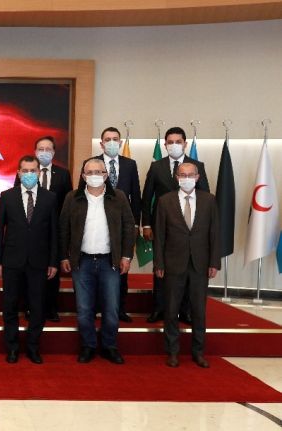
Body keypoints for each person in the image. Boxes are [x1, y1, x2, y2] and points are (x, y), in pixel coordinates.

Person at [60, 158, 135, 365]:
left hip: (110, 261)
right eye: (90, 172)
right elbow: (63, 228)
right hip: (81, 261)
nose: (94, 175)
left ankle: (110, 346)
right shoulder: (72, 198)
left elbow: (129, 227)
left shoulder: (118, 197)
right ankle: (88, 345)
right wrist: (64, 256)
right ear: (83, 176)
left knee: (111, 308)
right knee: (84, 308)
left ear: (106, 175)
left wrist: (126, 256)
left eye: (99, 172)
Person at [0, 155, 58, 364]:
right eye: (25, 171)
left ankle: (33, 347)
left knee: (37, 306)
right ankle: (12, 348)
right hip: (12, 261)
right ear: (19, 173)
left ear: (39, 172)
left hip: (39, 262)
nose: (29, 174)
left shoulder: (50, 198)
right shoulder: (7, 196)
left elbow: (54, 233)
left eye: (33, 170)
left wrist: (53, 261)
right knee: (10, 305)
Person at [154, 162, 220, 368]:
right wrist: (159, 263)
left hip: (201, 264)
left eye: (191, 175)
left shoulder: (209, 200)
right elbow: (159, 235)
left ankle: (198, 352)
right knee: (171, 310)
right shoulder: (165, 201)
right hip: (173, 263)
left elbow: (214, 233)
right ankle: (172, 352)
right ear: (177, 177)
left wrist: (214, 262)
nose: (187, 178)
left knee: (199, 311)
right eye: (183, 175)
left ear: (198, 177)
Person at [142, 126, 209, 323]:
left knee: (187, 268)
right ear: (165, 145)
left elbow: (205, 197)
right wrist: (146, 225)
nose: (174, 145)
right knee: (160, 267)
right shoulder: (157, 167)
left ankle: (185, 311)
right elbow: (147, 197)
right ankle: (159, 308)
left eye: (178, 142)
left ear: (185, 144)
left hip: (189, 228)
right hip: (162, 227)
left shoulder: (197, 165)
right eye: (170, 142)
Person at [78, 127, 141, 322]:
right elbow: (80, 193)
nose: (112, 142)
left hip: (122, 224)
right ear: (101, 143)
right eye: (108, 139)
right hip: (98, 223)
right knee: (98, 271)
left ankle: (119, 308)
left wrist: (136, 224)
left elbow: (135, 195)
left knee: (121, 270)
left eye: (115, 139)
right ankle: (97, 308)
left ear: (120, 142)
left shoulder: (130, 164)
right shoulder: (91, 164)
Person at [14, 136, 72, 322]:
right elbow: (17, 199)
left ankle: (51, 308)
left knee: (52, 271)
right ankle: (29, 307)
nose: (44, 152)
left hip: (54, 230)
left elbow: (68, 202)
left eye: (48, 149)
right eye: (41, 149)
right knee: (29, 271)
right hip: (31, 231)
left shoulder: (63, 174)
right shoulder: (27, 172)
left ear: (54, 152)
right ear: (35, 151)